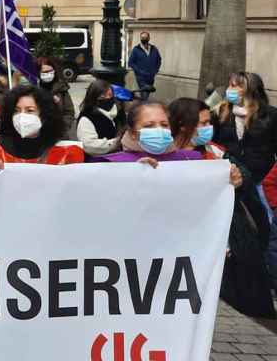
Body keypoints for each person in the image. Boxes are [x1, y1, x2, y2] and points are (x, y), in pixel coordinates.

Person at [168, 97, 272, 318]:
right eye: (202, 123)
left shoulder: (213, 151)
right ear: (184, 124)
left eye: (209, 123)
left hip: (228, 238)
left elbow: (243, 173)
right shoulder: (165, 156)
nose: (208, 128)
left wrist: (239, 178)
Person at [0, 85, 84, 167]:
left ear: (44, 114)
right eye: (16, 110)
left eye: (30, 110)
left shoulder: (68, 152)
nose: (22, 116)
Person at [213, 72, 277, 184]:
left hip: (260, 180)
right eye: (229, 85)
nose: (228, 90)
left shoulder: (270, 115)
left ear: (249, 90)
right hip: (229, 178)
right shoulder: (221, 112)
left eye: (233, 86)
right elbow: (213, 144)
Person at [102, 102, 207, 164]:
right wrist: (132, 171)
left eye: (164, 125)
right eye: (149, 126)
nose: (159, 130)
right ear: (133, 133)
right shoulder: (113, 164)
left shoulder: (189, 160)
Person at [76, 79, 125, 158]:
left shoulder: (118, 111)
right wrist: (117, 142)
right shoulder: (87, 117)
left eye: (110, 95)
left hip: (118, 156)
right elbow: (89, 145)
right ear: (93, 97)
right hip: (98, 161)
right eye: (102, 96)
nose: (107, 98)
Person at [36, 57, 75, 134]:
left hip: (59, 133)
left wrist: (63, 127)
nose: (48, 74)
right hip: (38, 134)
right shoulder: (34, 90)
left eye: (50, 71)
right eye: (45, 72)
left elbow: (69, 112)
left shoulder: (61, 88)